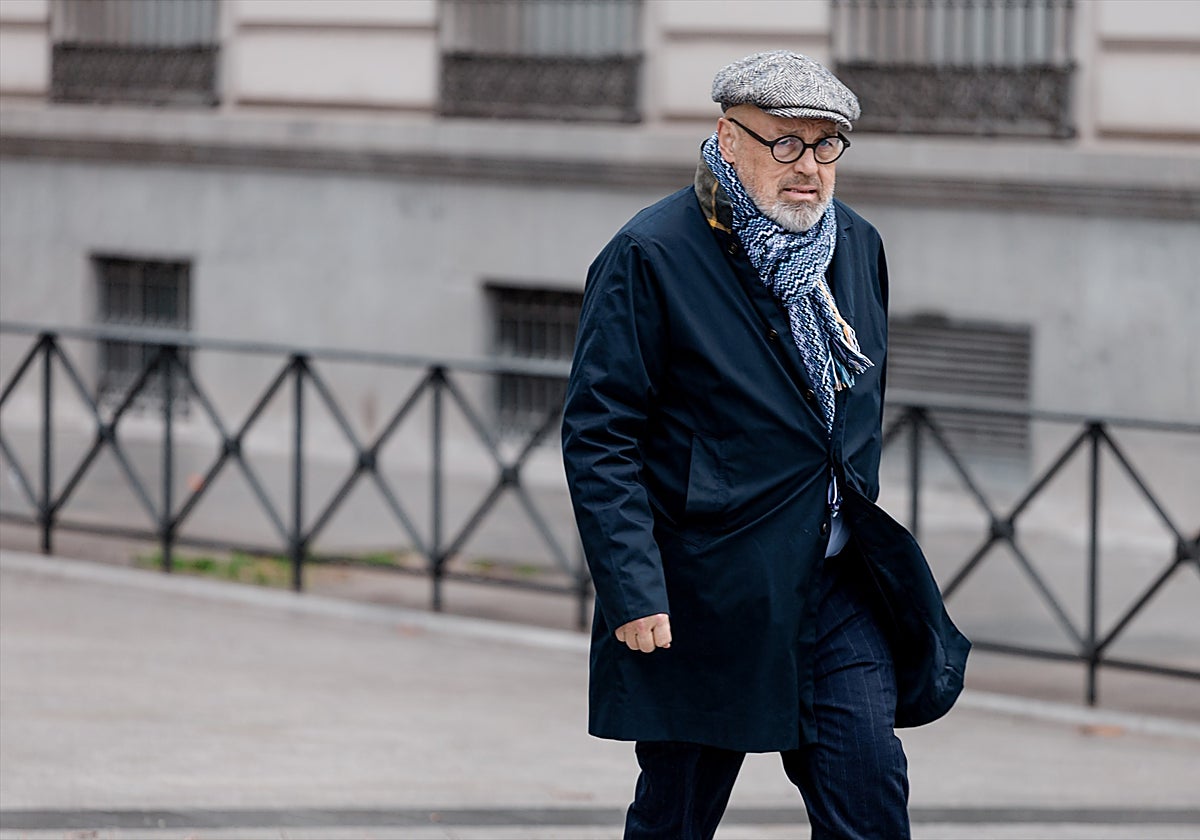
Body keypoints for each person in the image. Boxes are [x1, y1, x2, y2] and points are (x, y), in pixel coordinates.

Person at [561, 50, 971, 839]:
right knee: (677, 814)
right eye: (785, 143)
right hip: (706, 588)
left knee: (870, 791)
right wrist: (632, 584)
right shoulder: (651, 254)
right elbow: (600, 433)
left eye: (826, 147)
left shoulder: (855, 245)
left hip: (834, 583)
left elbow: (858, 405)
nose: (809, 169)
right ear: (727, 136)